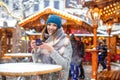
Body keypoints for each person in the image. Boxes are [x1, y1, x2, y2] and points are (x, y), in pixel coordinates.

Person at [31, 15, 73, 80]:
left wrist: (51, 50)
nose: (51, 27)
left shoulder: (65, 42)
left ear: (58, 27)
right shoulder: (43, 40)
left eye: (54, 25)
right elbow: (37, 63)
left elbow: (65, 65)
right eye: (49, 24)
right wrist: (35, 50)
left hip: (58, 78)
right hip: (43, 77)